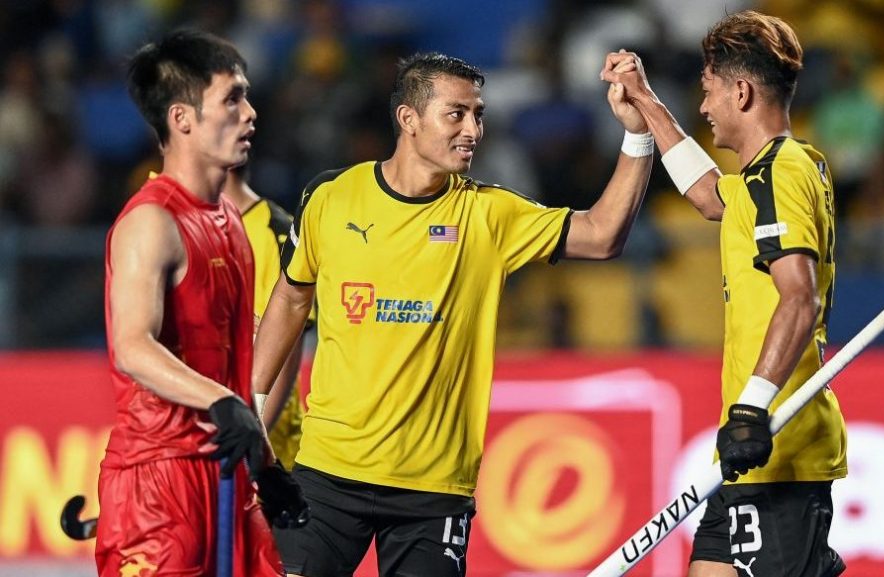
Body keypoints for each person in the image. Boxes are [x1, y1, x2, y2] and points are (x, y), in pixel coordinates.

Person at [250, 52, 653, 577]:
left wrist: (638, 134)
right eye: (456, 114)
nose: (473, 131)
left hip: (433, 492)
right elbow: (290, 298)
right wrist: (252, 409)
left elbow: (601, 236)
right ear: (409, 118)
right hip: (327, 474)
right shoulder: (330, 197)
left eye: (478, 115)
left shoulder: (490, 213)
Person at [601, 11, 846, 577]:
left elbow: (799, 298)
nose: (704, 106)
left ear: (741, 93)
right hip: (747, 447)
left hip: (777, 443)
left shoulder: (780, 173)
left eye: (708, 91)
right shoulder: (777, 170)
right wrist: (645, 102)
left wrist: (751, 409)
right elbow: (710, 196)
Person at [95, 29, 305, 577]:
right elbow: (133, 347)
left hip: (229, 476)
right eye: (232, 98)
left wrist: (266, 465)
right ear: (182, 118)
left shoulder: (230, 221)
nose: (250, 113)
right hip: (159, 483)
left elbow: (232, 364)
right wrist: (223, 403)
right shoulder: (151, 222)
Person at [223, 164, 313, 470]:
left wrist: (251, 447)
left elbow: (283, 348)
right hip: (205, 445)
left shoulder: (276, 232)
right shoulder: (175, 222)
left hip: (267, 455)